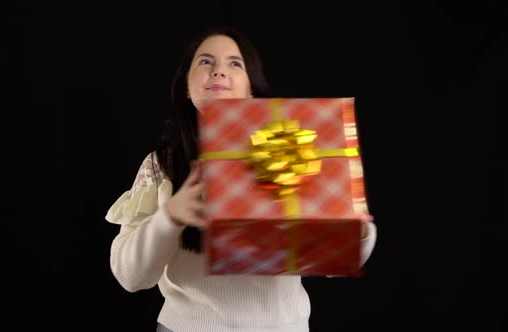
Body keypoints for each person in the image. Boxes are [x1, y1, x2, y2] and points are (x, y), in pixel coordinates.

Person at [105, 25, 377, 332]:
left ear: (251, 87)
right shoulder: (162, 164)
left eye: (235, 63)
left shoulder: (297, 148)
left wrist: (357, 230)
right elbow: (130, 277)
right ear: (186, 85)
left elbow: (339, 260)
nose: (219, 71)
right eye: (206, 62)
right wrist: (171, 216)